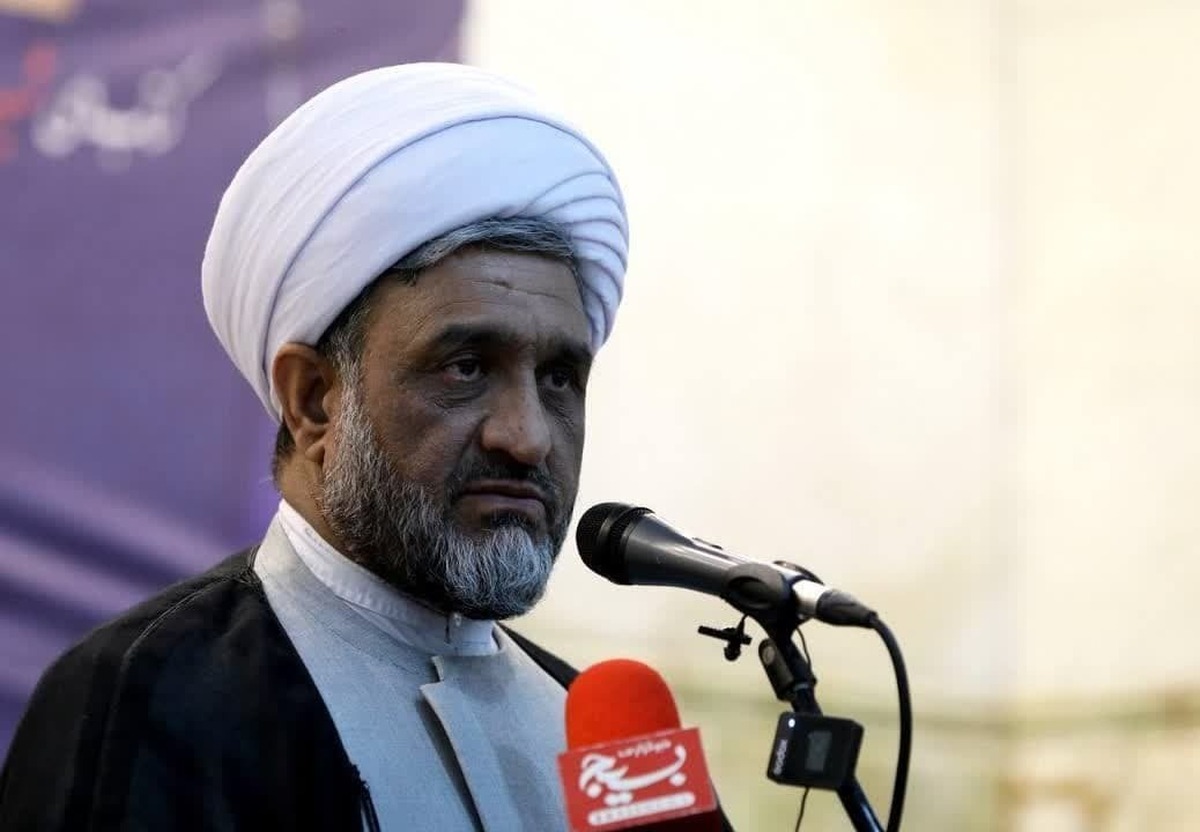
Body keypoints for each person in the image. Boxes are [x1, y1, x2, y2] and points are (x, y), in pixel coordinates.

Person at [0, 62, 629, 830]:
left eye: (560, 378)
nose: (527, 437)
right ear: (315, 400)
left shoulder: (610, 739)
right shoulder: (151, 699)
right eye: (466, 368)